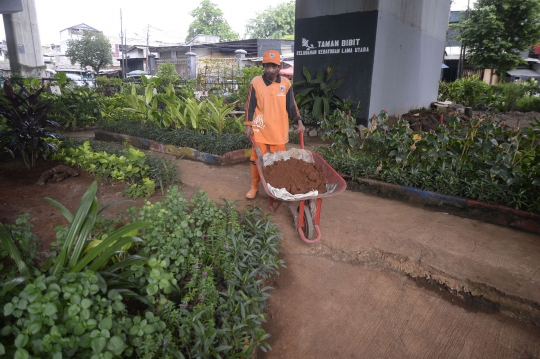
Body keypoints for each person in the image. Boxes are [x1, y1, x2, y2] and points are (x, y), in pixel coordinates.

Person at [244, 50, 305, 199]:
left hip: (279, 131)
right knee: (256, 160)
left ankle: (276, 189)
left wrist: (299, 121)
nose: (270, 70)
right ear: (263, 66)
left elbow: (292, 106)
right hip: (260, 130)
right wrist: (248, 124)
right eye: (267, 66)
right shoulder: (256, 83)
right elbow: (250, 106)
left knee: (278, 163)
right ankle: (254, 186)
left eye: (274, 66)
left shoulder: (285, 83)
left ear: (279, 67)